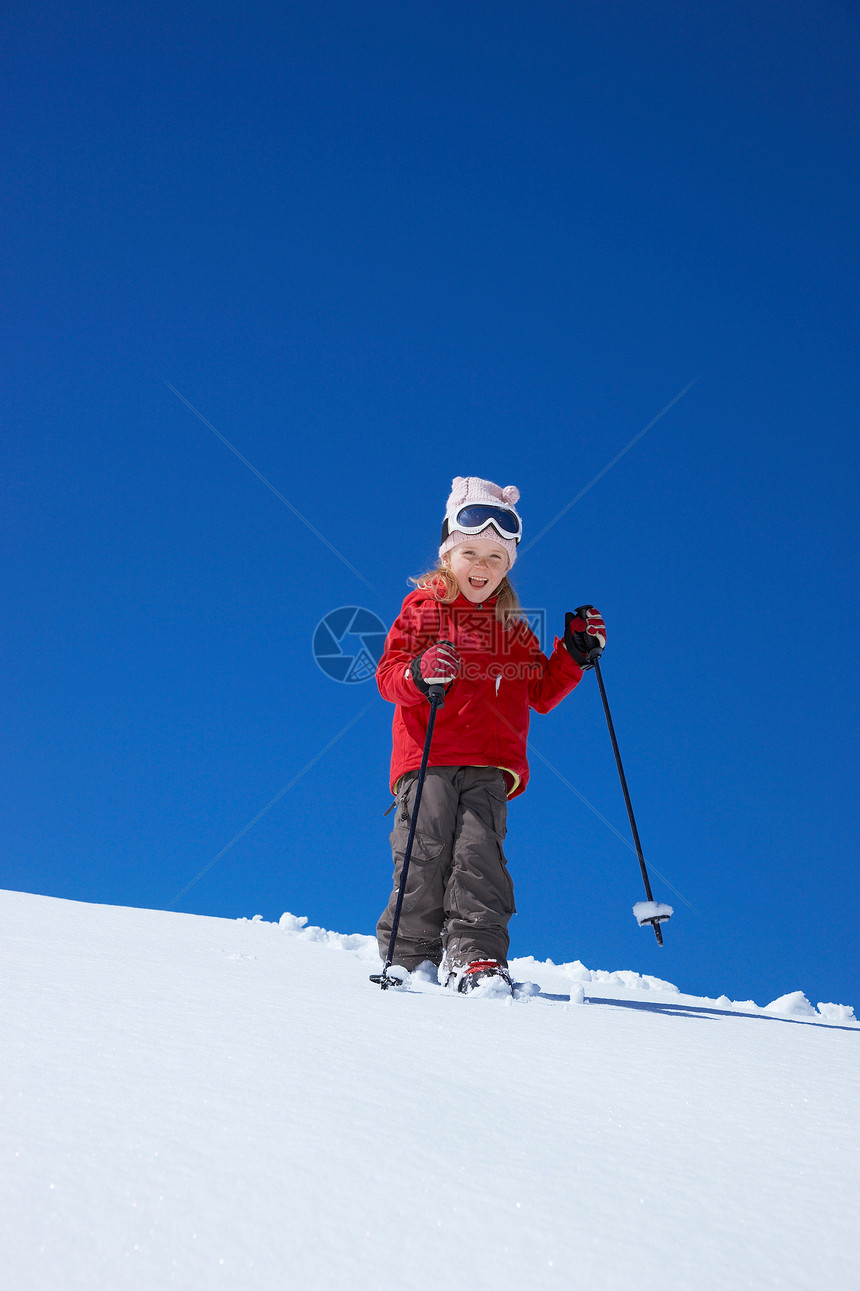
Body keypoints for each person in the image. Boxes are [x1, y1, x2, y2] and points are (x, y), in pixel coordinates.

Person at [375, 476, 606, 994]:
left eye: (496, 559)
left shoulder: (514, 629)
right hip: (429, 756)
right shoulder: (424, 610)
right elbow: (389, 676)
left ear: (508, 567)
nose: (482, 567)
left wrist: (572, 651)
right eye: (472, 553)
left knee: (480, 855)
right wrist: (419, 672)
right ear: (448, 554)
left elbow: (541, 692)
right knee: (425, 850)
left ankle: (476, 954)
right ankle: (410, 955)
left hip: (489, 764)